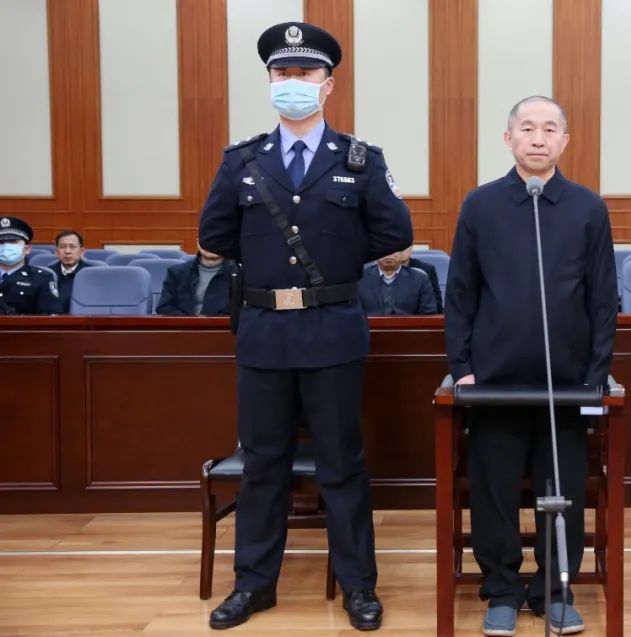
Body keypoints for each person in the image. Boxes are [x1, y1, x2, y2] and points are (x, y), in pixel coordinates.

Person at [198, 22, 412, 631]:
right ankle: (253, 586)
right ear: (269, 81)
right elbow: (214, 235)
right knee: (263, 464)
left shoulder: (360, 160)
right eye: (282, 73)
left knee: (342, 464)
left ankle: (359, 587)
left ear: (328, 84)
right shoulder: (242, 161)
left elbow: (394, 232)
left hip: (332, 328)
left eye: (305, 73)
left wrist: (336, 261)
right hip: (264, 331)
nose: (292, 82)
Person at [444, 95, 618, 636]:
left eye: (548, 129)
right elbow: (461, 293)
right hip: (495, 382)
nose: (537, 138)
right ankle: (500, 590)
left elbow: (602, 299)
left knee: (561, 492)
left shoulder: (588, 208)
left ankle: (554, 590)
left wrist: (595, 374)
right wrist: (463, 367)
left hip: (565, 384)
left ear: (564, 140)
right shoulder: (481, 205)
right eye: (526, 128)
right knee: (493, 491)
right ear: (508, 139)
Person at [0, 216, 61, 315]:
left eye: (13, 242)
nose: (6, 246)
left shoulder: (42, 278)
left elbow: (50, 318)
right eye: (1, 242)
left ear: (27, 249)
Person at [156, 243, 232, 316]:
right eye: (207, 240)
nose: (212, 244)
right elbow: (164, 307)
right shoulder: (176, 272)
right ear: (198, 243)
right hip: (183, 324)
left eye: (217, 240)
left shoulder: (236, 274)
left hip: (225, 325)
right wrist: (190, 321)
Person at [357, 250, 437, 315]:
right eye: (383, 249)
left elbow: (429, 314)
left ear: (402, 253)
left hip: (408, 329)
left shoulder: (420, 279)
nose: (389, 254)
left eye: (394, 250)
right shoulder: (359, 278)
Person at [49, 230, 93, 314]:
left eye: (72, 247)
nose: (67, 251)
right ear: (56, 252)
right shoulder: (47, 274)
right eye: (63, 247)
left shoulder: (92, 274)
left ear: (82, 251)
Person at [400, 246, 443, 313]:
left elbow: (437, 305)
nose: (402, 250)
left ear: (411, 247)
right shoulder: (383, 271)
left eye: (405, 245)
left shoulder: (426, 270)